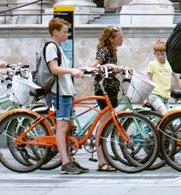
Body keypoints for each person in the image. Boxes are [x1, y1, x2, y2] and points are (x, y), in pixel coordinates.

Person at [44, 18, 90, 175]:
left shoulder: (58, 47)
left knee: (69, 126)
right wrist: (71, 71)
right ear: (55, 32)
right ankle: (64, 162)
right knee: (62, 127)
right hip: (60, 92)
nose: (67, 35)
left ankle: (70, 160)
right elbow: (54, 69)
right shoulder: (51, 47)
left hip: (66, 91)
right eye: (64, 31)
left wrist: (77, 69)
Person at [91, 25, 132, 172]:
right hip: (104, 90)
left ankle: (104, 157)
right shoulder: (104, 50)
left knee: (106, 124)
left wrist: (123, 68)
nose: (122, 39)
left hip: (111, 90)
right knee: (103, 125)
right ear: (111, 39)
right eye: (120, 37)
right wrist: (110, 65)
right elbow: (94, 66)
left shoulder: (112, 50)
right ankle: (101, 161)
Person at [146, 39, 181, 115]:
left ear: (166, 53)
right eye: (158, 54)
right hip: (154, 96)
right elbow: (149, 81)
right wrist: (146, 98)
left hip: (165, 98)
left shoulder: (170, 64)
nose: (160, 57)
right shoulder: (152, 64)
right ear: (154, 54)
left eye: (162, 54)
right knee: (166, 115)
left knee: (170, 120)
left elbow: (178, 80)